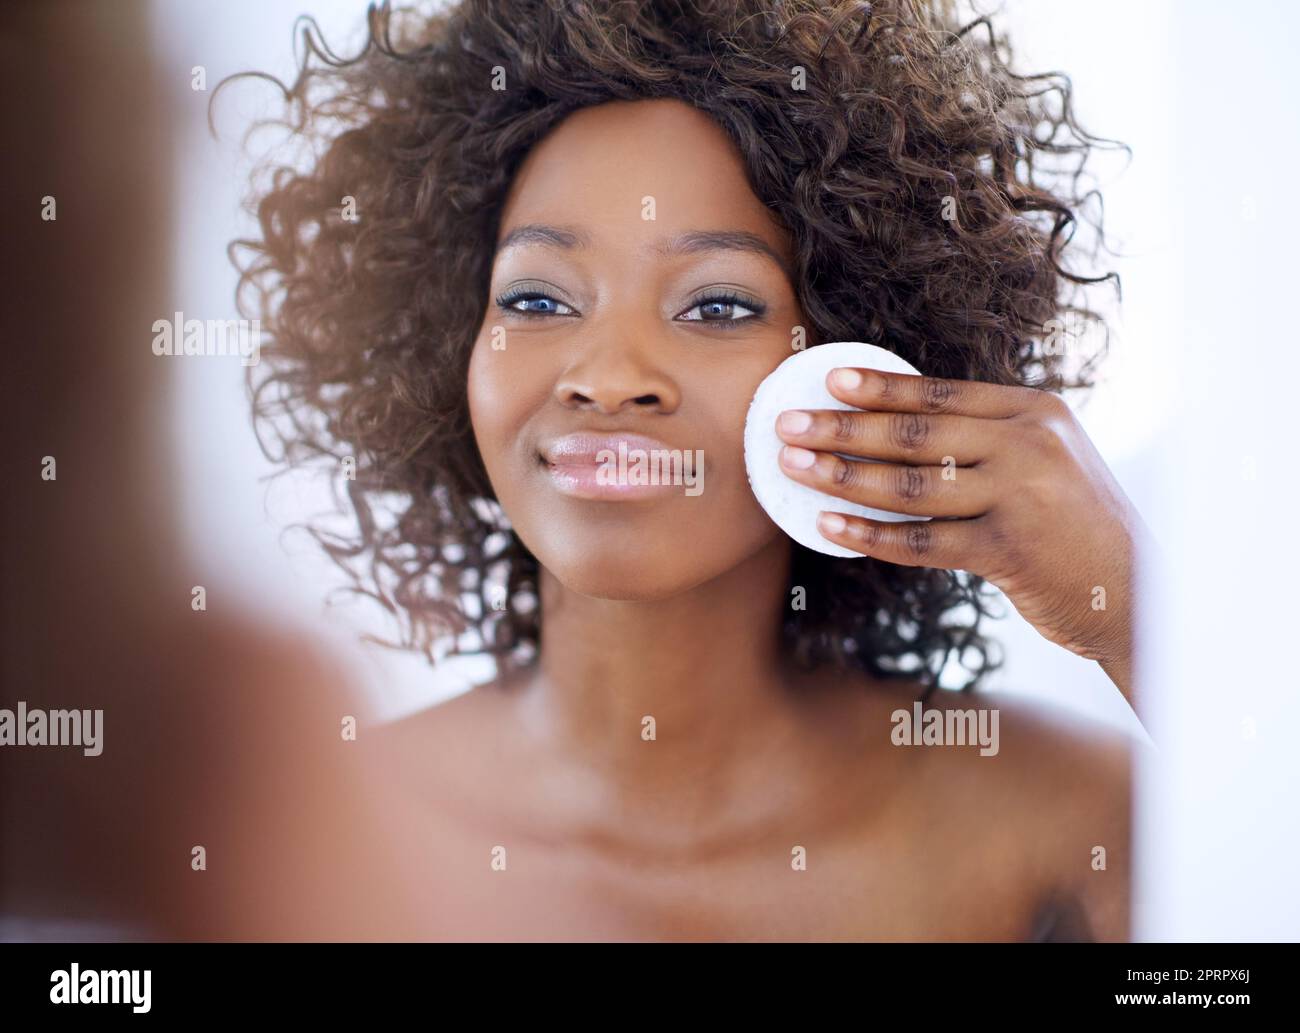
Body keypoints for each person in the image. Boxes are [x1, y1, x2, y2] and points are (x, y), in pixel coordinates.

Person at [227, 0, 1148, 940]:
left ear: (856, 363)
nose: (608, 378)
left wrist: (1137, 605)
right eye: (537, 297)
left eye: (715, 308)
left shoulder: (1067, 824)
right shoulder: (308, 839)